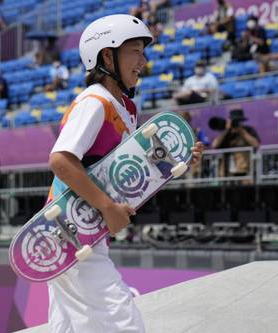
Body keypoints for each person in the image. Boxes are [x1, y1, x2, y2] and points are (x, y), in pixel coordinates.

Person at [46, 14, 204, 332]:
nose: (143, 61)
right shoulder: (94, 102)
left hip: (81, 230)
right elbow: (61, 160)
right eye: (135, 51)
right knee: (123, 323)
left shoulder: (125, 107)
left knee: (68, 326)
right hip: (72, 229)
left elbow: (129, 173)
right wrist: (107, 207)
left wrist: (178, 164)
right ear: (107, 56)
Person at [212, 109, 260, 177]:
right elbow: (214, 145)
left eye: (237, 121)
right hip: (226, 174)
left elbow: (256, 145)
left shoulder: (248, 130)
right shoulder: (226, 133)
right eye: (234, 122)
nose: (235, 124)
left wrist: (242, 131)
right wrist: (226, 130)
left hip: (245, 172)